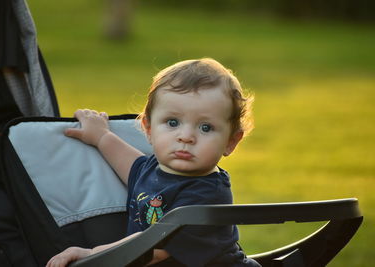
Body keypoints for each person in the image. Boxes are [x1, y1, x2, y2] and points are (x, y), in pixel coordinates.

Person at [46, 58, 260, 267]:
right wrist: (100, 135)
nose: (186, 136)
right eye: (173, 122)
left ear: (231, 142)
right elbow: (127, 161)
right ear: (148, 129)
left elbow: (151, 250)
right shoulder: (150, 170)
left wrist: (91, 255)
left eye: (205, 128)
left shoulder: (207, 195)